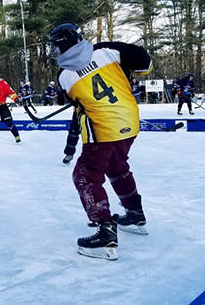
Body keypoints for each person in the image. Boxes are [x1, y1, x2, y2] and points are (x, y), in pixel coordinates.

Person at [48, 22, 152, 260]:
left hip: (102, 129)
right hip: (130, 121)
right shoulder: (108, 51)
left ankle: (104, 230)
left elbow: (78, 103)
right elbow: (145, 65)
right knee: (117, 165)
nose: (55, 52)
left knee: (85, 175)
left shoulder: (64, 75)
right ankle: (135, 212)